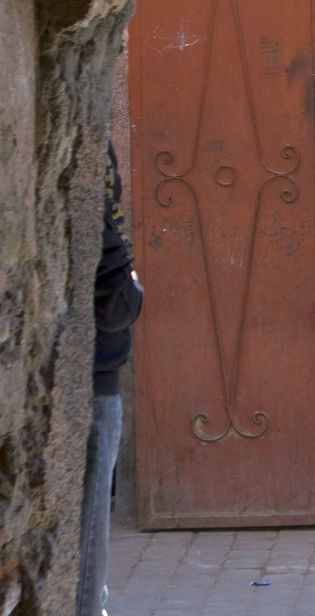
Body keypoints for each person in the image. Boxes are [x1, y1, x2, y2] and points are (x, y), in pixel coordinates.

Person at [78, 147, 143, 616]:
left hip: (92, 364)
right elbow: (115, 288)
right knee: (85, 550)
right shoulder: (88, 148)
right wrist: (133, 293)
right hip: (93, 371)